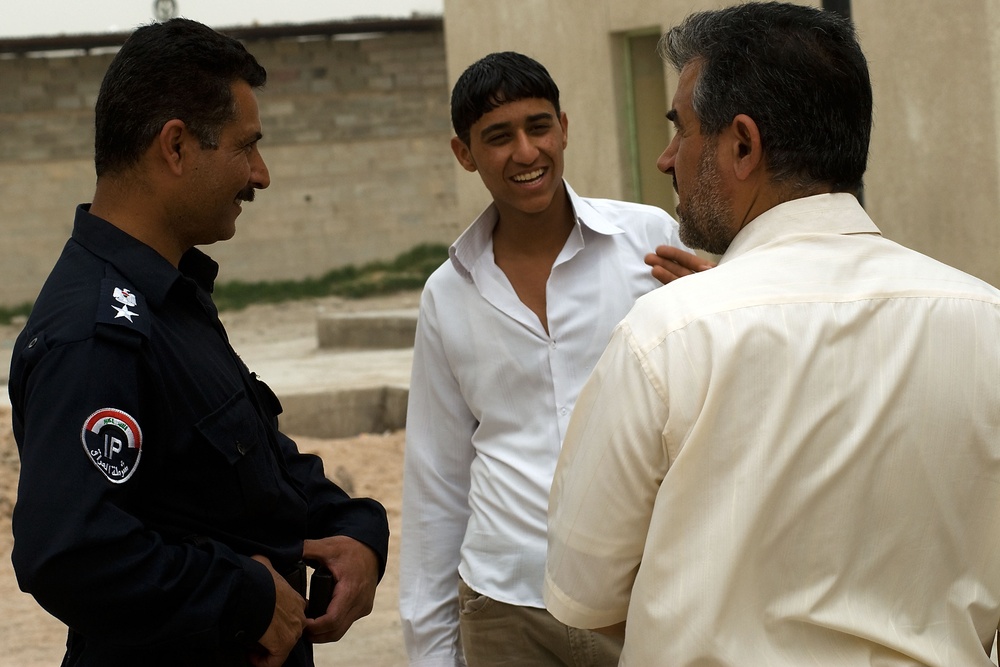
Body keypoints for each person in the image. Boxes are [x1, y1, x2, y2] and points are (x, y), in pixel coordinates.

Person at [543, 2, 1000, 665]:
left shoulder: (670, 335)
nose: (668, 157)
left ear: (742, 144)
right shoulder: (986, 322)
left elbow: (584, 591)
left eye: (682, 129)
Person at [8, 18, 389, 667]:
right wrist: (239, 594)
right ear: (177, 147)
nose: (261, 175)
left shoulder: (173, 299)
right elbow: (70, 550)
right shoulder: (93, 332)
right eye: (247, 147)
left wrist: (356, 530)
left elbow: (254, 465)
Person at [398, 51, 710, 667]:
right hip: (503, 608)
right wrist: (431, 652)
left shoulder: (649, 244)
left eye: (538, 127)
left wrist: (714, 298)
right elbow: (437, 476)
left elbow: (717, 386)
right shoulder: (449, 292)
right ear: (464, 154)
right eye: (497, 137)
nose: (525, 152)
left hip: (639, 599)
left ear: (563, 128)